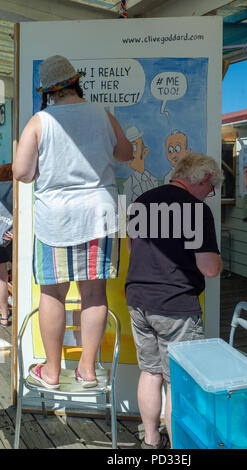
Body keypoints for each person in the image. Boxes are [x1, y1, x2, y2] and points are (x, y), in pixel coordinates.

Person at [13, 55, 132, 389]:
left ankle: (51, 372)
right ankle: (88, 370)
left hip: (57, 217)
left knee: (53, 292)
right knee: (94, 292)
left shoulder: (40, 121)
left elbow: (21, 173)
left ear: (49, 91)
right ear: (76, 82)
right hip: (100, 214)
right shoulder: (103, 115)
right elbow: (125, 154)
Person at [125, 153, 223, 448]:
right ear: (203, 179)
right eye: (212, 188)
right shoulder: (195, 210)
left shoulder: (141, 201)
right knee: (177, 381)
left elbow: (133, 250)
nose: (210, 195)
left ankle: (152, 441)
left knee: (151, 372)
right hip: (176, 305)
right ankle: (180, 446)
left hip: (139, 301)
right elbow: (209, 267)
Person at [123, 125, 158, 207]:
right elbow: (122, 214)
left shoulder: (153, 180)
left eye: (134, 147)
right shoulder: (128, 185)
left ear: (145, 151)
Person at [0, 163, 13, 328]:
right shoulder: (16, 191)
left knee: (1, 277)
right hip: (11, 237)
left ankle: (4, 315)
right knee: (5, 277)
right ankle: (6, 314)